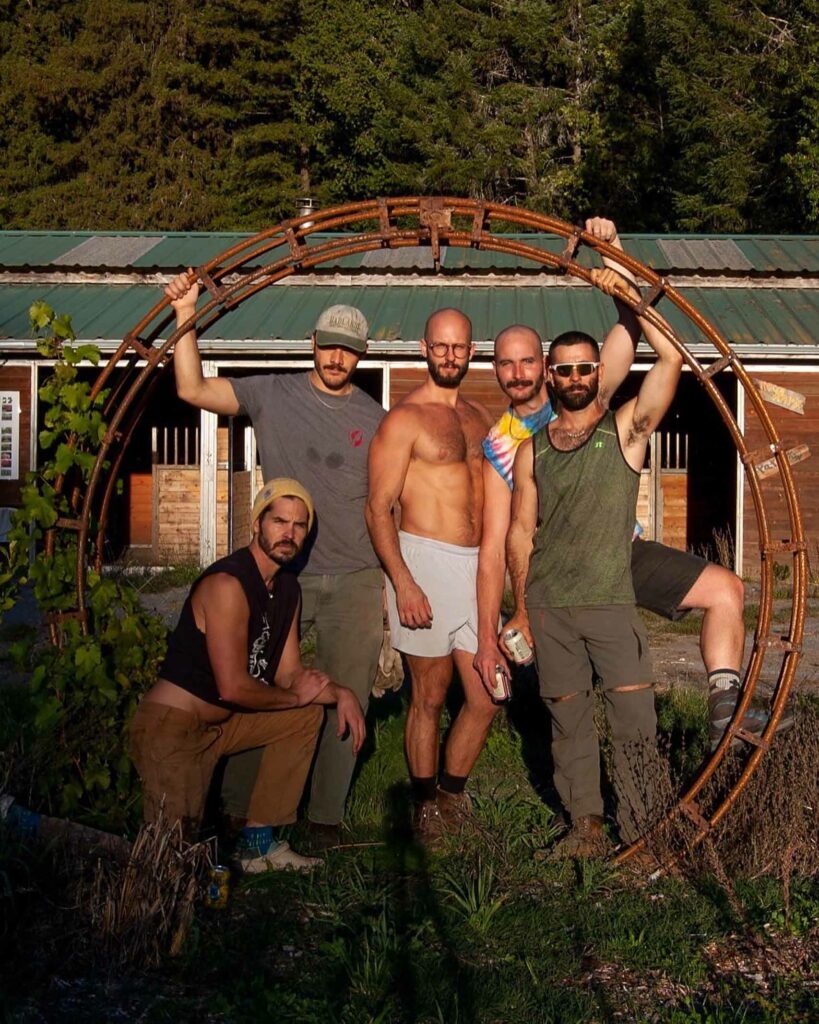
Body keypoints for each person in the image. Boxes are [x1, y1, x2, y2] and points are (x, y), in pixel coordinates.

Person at [475, 221, 751, 756]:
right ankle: (591, 806)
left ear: (547, 366)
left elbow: (631, 323)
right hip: (565, 574)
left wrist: (614, 251)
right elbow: (501, 541)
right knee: (581, 704)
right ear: (496, 370)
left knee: (726, 589)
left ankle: (724, 709)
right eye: (506, 363)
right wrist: (508, 619)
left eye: (529, 360)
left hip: (620, 553)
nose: (519, 372)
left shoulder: (590, 398)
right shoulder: (503, 444)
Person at [166, 274, 385, 849]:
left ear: (363, 355)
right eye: (329, 343)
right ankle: (241, 810)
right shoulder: (272, 393)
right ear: (313, 342)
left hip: (358, 575)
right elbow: (190, 389)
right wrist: (186, 313)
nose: (337, 356)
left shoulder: (376, 418)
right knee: (261, 682)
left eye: (350, 349)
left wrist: (393, 580)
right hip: (284, 575)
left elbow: (391, 503)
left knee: (347, 693)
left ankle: (325, 818)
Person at [506, 270, 683, 857]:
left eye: (587, 368)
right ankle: (585, 825)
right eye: (566, 369)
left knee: (633, 718)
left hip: (610, 601)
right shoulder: (532, 448)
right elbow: (519, 532)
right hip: (550, 606)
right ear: (550, 377)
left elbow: (670, 359)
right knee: (568, 721)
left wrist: (625, 292)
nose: (577, 377)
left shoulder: (626, 430)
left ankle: (642, 829)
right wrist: (522, 608)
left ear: (596, 374)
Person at [129, 479, 366, 872]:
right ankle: (46, 833)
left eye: (299, 525)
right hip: (173, 728)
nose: (289, 533)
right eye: (279, 521)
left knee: (303, 716)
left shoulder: (287, 587)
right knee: (170, 865)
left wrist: (343, 694)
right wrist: (296, 697)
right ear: (256, 524)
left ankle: (257, 845)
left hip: (222, 725)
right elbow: (234, 686)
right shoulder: (228, 584)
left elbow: (290, 673)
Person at [365, 308, 496, 842]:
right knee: (430, 696)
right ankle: (424, 806)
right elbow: (378, 507)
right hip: (424, 562)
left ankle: (451, 792)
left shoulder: (481, 417)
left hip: (474, 568)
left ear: (471, 350)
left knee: (487, 697)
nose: (450, 355)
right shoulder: (404, 420)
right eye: (441, 347)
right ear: (424, 349)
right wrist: (403, 581)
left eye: (459, 347)